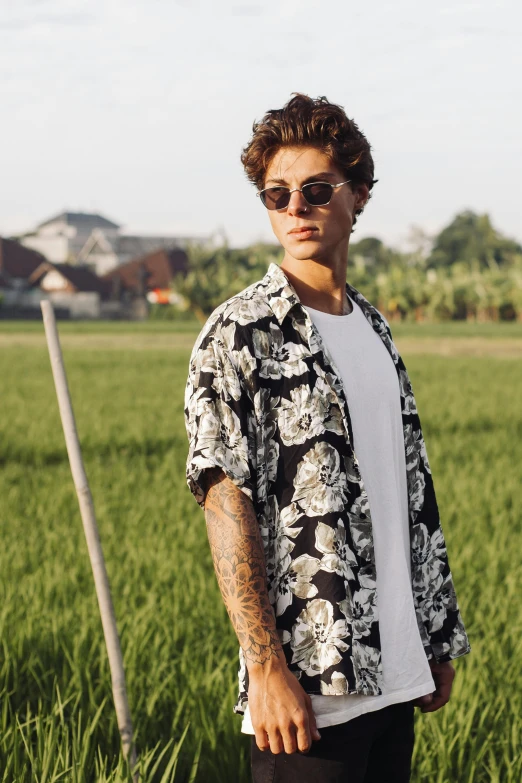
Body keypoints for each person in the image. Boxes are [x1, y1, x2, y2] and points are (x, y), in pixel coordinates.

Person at [184, 93, 471, 783]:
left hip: (396, 675)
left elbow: (409, 491)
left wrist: (433, 637)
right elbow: (226, 504)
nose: (295, 208)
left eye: (315, 190)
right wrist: (265, 667)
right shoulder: (239, 333)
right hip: (309, 692)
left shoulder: (374, 329)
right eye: (276, 194)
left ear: (358, 196)